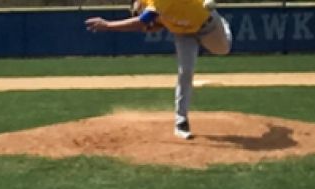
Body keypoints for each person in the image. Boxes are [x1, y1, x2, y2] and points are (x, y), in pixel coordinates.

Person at [85, 0, 232, 140]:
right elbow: (156, 22)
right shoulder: (147, 3)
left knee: (223, 50)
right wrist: (154, 24)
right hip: (183, 33)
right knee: (185, 72)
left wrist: (108, 25)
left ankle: (224, 24)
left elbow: (143, 21)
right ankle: (181, 122)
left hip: (207, 25)